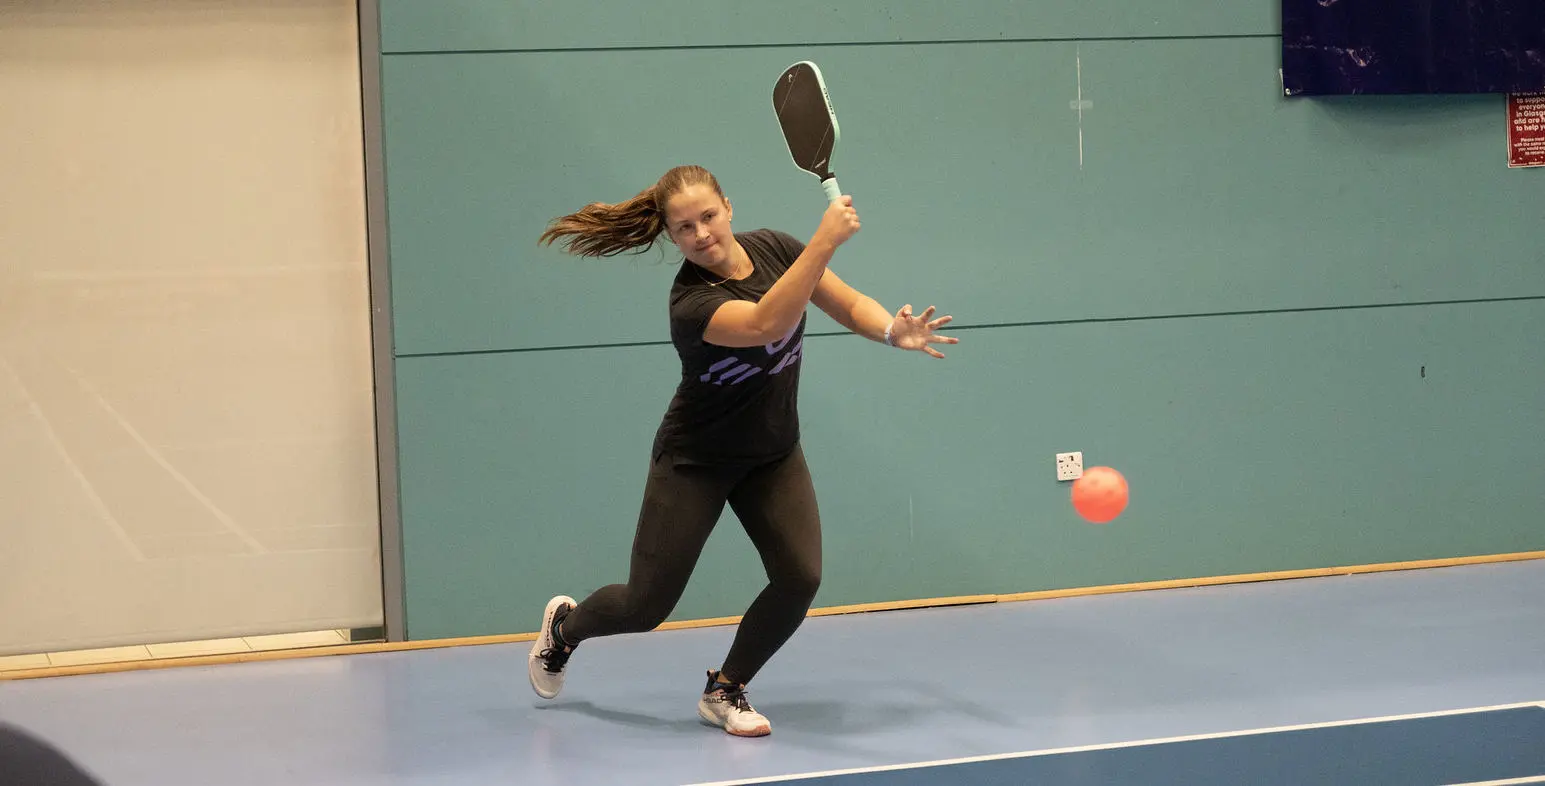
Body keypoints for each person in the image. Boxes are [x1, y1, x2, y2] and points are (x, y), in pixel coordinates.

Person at [527, 164, 957, 737]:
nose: (701, 233)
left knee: (800, 576)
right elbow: (765, 323)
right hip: (696, 461)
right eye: (684, 227)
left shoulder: (775, 247)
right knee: (645, 606)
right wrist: (824, 240)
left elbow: (848, 303)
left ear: (728, 206)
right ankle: (564, 629)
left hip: (771, 453)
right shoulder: (690, 302)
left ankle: (725, 689)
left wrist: (890, 331)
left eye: (708, 216)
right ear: (671, 235)